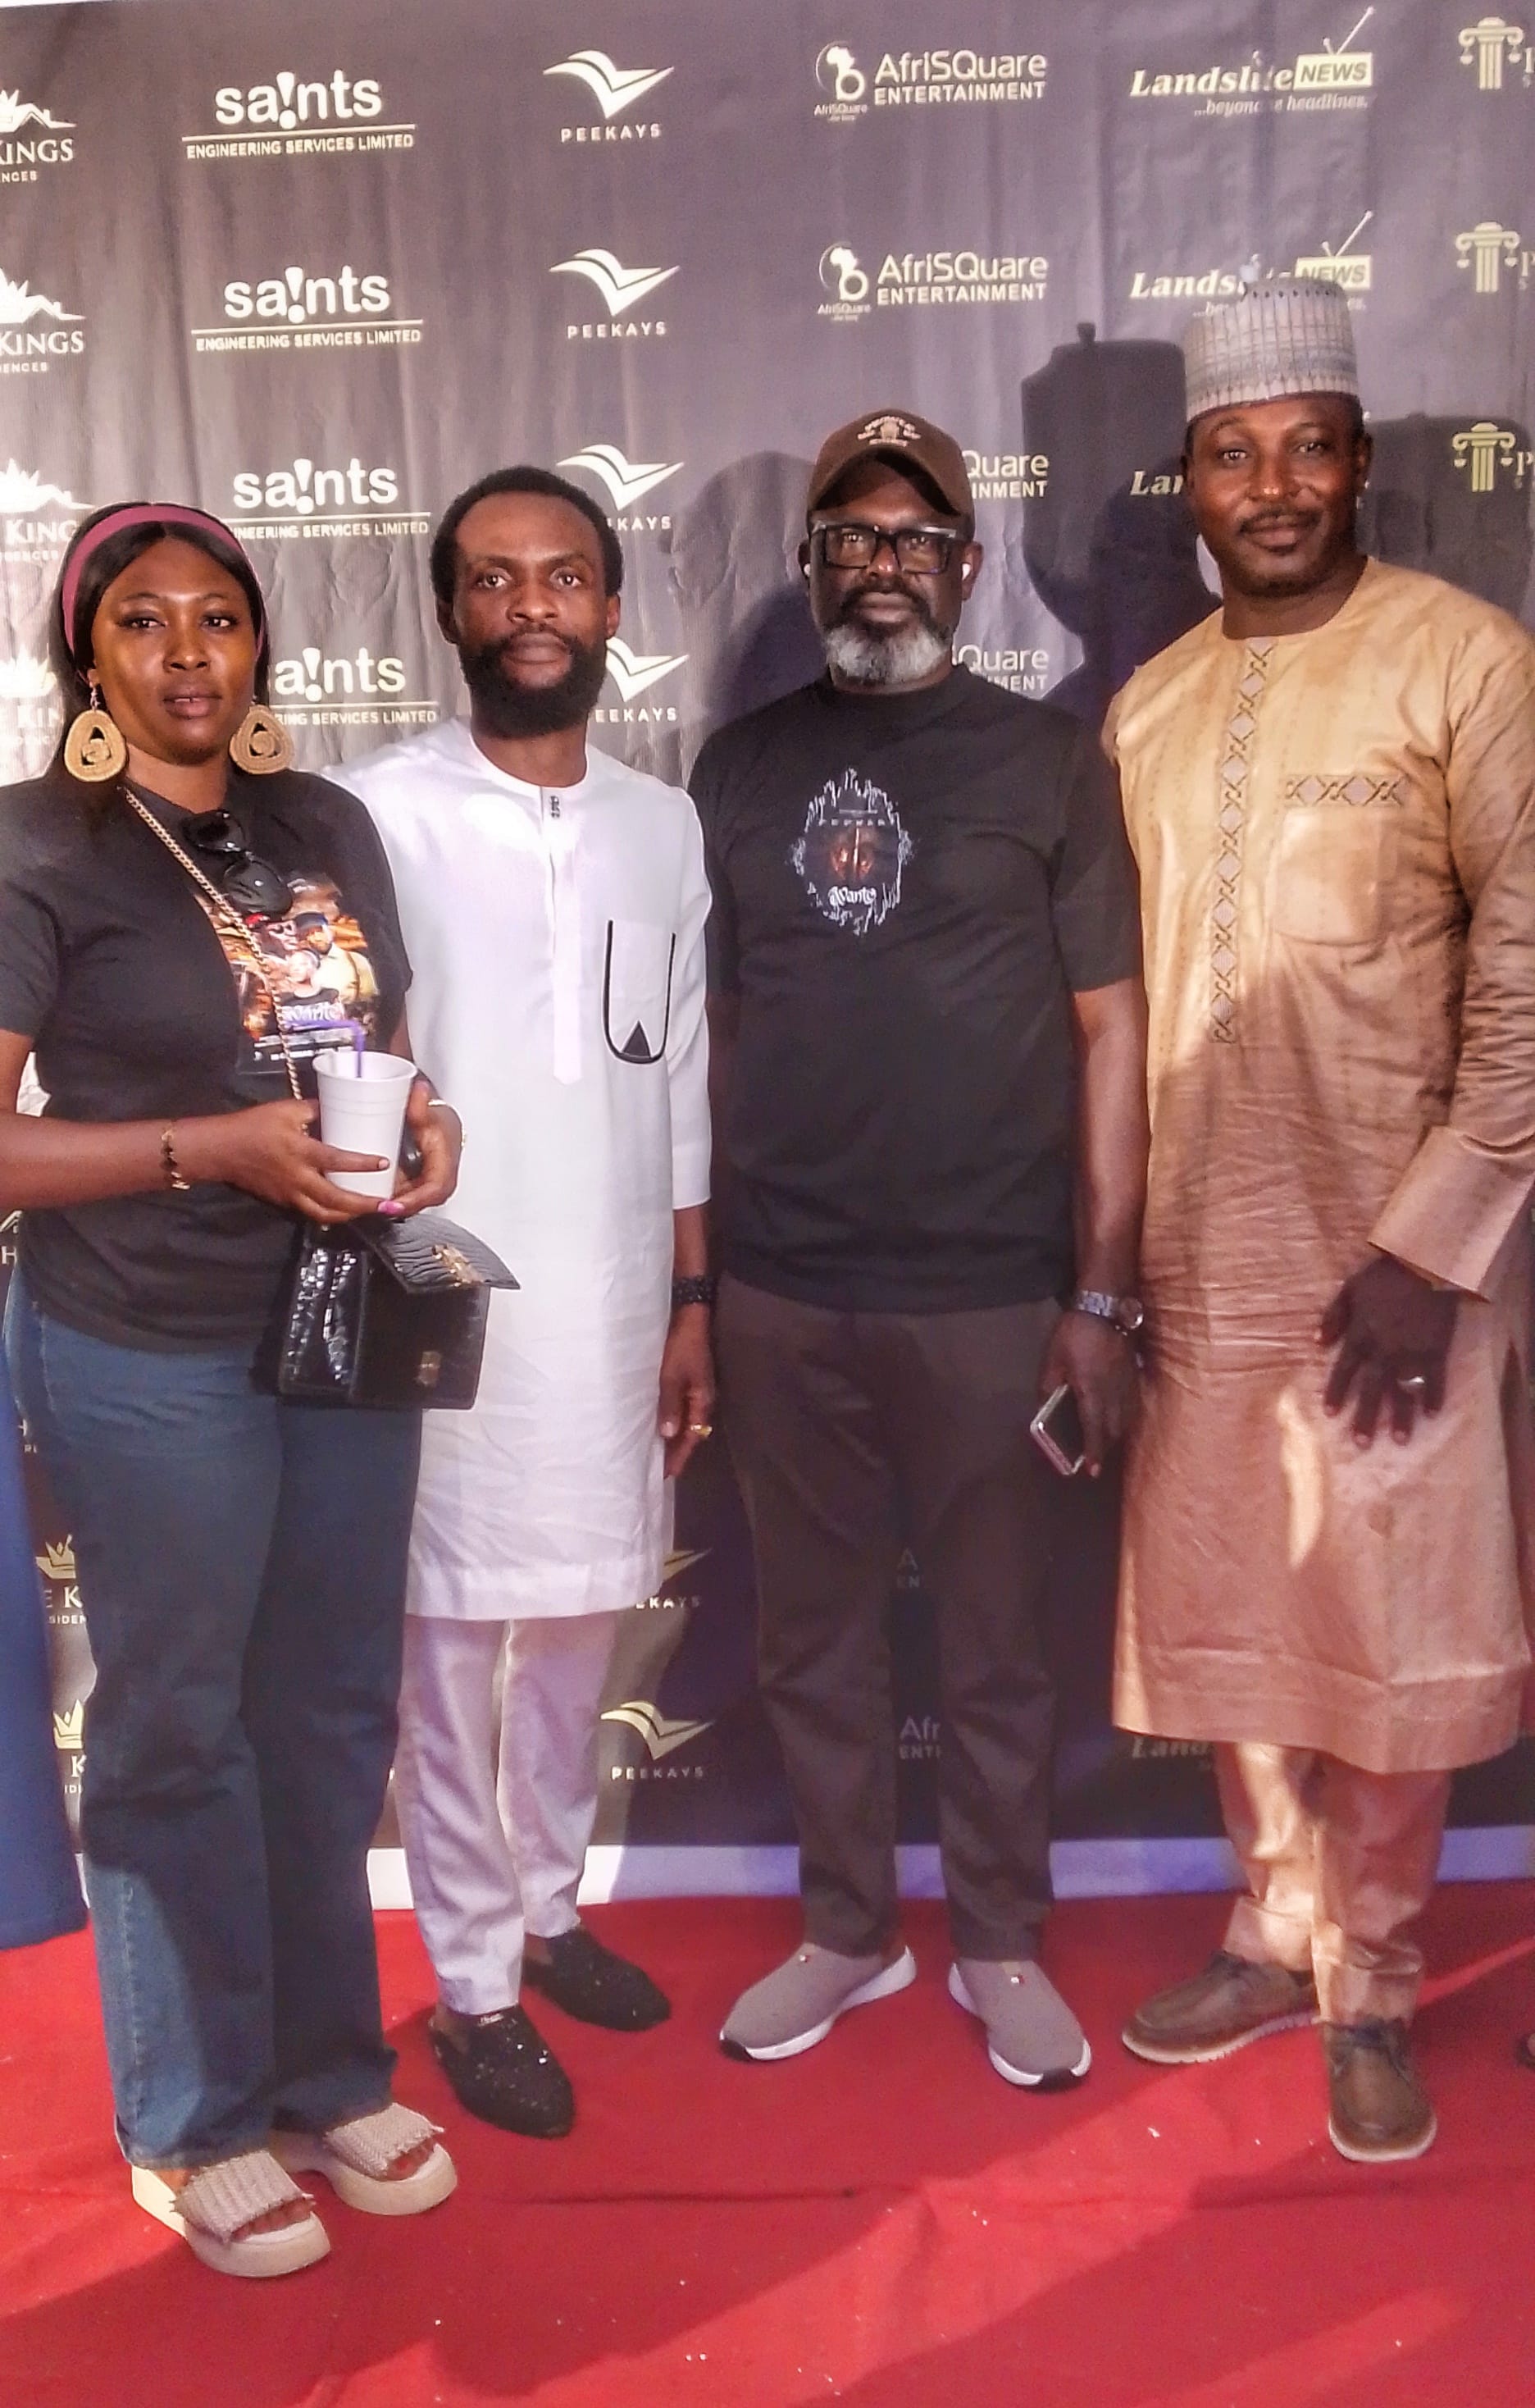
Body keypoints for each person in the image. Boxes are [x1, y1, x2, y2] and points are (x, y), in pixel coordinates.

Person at [0, 503, 464, 2277]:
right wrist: (215, 1148)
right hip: (147, 1342)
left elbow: (374, 1042)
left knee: (329, 1712)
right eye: (144, 620)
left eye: (219, 617)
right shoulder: (37, 845)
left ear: (261, 645)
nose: (187, 650)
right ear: (87, 654)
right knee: (181, 1725)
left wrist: (425, 1120)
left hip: (341, 1323)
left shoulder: (322, 822)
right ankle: (192, 2119)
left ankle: (325, 2074)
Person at [1106, 280, 1535, 2163]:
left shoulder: (1467, 661)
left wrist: (1436, 1247)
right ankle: (1270, 1932)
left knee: (1386, 1624)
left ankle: (1374, 1976)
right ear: (1191, 482)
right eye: (1233, 453)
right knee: (1243, 1611)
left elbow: (1526, 971)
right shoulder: (1150, 705)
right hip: (1207, 1248)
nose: (1271, 486)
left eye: (1305, 449)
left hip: (1403, 1264)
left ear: (1360, 462)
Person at [692, 410, 1147, 2086]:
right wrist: (712, 1275)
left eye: (913, 540)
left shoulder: (1049, 763)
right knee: (808, 1638)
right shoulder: (736, 770)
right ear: (811, 567)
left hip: (988, 1293)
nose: (881, 567)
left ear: (964, 565)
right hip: (783, 1289)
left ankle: (1003, 1940)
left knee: (998, 1646)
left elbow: (1112, 1033)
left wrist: (1101, 1293)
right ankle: (847, 1930)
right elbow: (714, 1034)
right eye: (850, 540)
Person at [334, 468, 712, 2137]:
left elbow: (678, 1074)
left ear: (613, 609)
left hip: (618, 1295)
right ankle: (474, 1979)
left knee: (569, 1632)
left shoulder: (662, 823)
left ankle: (551, 1909)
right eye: (494, 580)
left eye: (563, 576)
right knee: (448, 1649)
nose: (531, 606)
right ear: (450, 613)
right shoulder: (374, 814)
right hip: (446, 1293)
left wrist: (690, 1295)